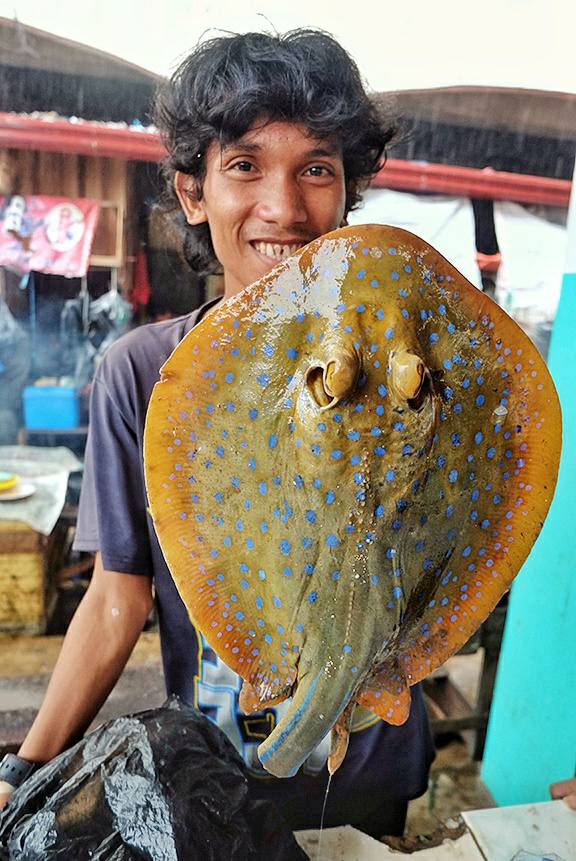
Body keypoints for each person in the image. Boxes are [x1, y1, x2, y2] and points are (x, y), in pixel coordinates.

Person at [0, 30, 434, 835]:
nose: (284, 206)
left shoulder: (412, 366)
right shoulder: (146, 371)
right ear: (193, 192)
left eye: (316, 168)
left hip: (374, 767)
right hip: (220, 776)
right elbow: (115, 596)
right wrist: (23, 767)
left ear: (346, 194)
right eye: (244, 165)